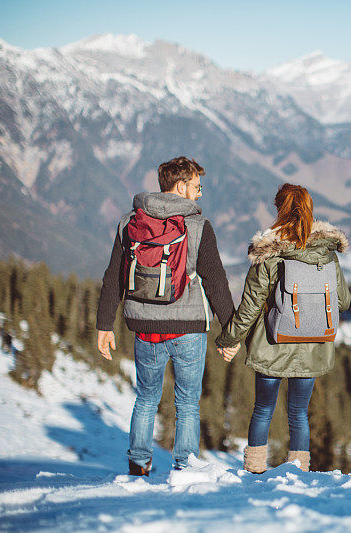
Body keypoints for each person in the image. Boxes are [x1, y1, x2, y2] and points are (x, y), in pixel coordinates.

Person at [96, 156, 234, 475]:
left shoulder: (130, 222)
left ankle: (139, 464)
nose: (200, 194)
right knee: (186, 403)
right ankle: (184, 468)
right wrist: (231, 331)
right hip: (187, 328)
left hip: (144, 329)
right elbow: (215, 281)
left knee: (146, 398)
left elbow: (113, 276)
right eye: (197, 187)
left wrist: (105, 324)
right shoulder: (198, 226)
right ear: (181, 186)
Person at [216, 183, 350, 473]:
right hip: (314, 344)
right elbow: (343, 300)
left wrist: (228, 339)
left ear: (279, 210)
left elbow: (251, 305)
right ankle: (298, 474)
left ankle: (254, 471)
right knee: (299, 413)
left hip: (272, 344)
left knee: (263, 410)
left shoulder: (270, 253)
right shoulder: (327, 253)